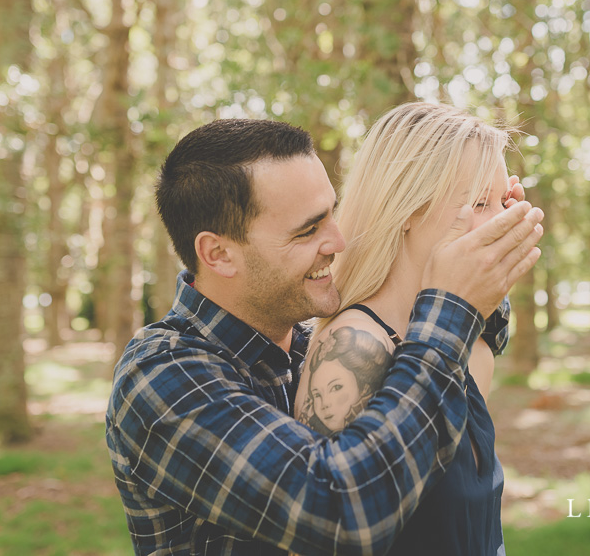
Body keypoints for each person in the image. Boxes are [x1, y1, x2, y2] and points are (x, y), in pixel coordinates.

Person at [106, 118, 544, 556]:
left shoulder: (301, 338)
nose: (338, 240)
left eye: (332, 213)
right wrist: (452, 309)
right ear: (219, 254)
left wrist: (487, 260)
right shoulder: (164, 376)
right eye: (307, 230)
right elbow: (342, 511)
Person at [294, 102, 522, 556]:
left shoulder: (466, 343)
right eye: (478, 202)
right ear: (408, 209)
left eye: (503, 201)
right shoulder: (352, 351)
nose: (500, 219)